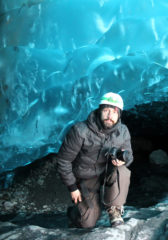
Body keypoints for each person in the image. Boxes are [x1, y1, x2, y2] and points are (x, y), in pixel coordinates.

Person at [56, 92, 133, 228]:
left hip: (107, 173)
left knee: (123, 170)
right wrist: (72, 187)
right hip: (86, 177)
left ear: (119, 114)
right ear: (99, 111)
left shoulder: (123, 131)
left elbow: (129, 156)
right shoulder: (80, 131)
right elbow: (63, 161)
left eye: (114, 112)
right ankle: (75, 212)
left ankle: (114, 210)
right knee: (87, 223)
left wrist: (123, 160)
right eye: (106, 111)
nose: (110, 116)